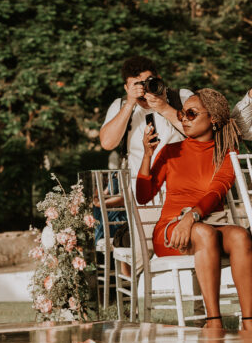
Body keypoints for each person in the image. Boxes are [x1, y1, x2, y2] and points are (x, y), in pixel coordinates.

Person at [136, 89, 252, 328]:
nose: (184, 119)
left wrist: (192, 216)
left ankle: (249, 321)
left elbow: (216, 190)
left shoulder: (226, 152)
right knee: (204, 232)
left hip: (201, 224)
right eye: (182, 114)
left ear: (213, 119)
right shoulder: (171, 152)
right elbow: (143, 196)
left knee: (240, 235)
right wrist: (147, 155)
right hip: (171, 230)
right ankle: (213, 321)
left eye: (191, 113)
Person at [99, 56, 193, 188]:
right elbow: (107, 143)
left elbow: (200, 132)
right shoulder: (120, 106)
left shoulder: (182, 97)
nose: (143, 90)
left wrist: (164, 108)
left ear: (158, 79)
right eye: (136, 86)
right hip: (141, 191)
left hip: (185, 186)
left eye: (147, 83)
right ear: (126, 88)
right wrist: (130, 102)